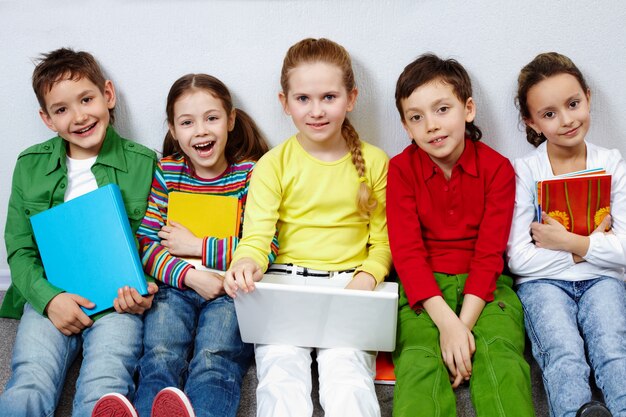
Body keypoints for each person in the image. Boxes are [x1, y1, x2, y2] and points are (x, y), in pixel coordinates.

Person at [224, 38, 391, 417]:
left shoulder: (376, 162)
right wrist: (245, 264)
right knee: (281, 378)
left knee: (348, 378)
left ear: (351, 98)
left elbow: (382, 243)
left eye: (329, 97)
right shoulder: (272, 164)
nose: (316, 111)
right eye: (303, 99)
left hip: (350, 286)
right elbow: (255, 239)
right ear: (284, 102)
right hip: (284, 288)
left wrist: (366, 279)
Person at [92, 73, 276, 417]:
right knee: (160, 353)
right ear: (174, 131)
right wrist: (191, 276)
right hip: (175, 286)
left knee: (214, 357)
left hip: (231, 291)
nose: (201, 130)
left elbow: (266, 243)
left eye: (212, 118)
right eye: (187, 122)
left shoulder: (251, 174)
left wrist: (198, 246)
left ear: (231, 120)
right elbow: (146, 243)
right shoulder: (167, 172)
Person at [0, 48, 158, 417]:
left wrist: (144, 287)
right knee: (29, 379)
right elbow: (19, 249)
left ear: (108, 95)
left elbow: (153, 239)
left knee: (106, 383)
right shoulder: (30, 166)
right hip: (50, 294)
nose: (79, 116)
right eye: (62, 109)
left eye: (86, 99)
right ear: (47, 119)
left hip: (118, 302)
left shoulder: (145, 163)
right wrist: (49, 299)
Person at [386, 54, 535, 417]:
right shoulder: (401, 169)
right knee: (419, 360)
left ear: (467, 109)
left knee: (501, 354)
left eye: (441, 109)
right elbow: (406, 254)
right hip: (422, 291)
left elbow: (489, 254)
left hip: (487, 287)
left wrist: (460, 329)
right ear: (406, 126)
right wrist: (444, 323)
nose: (431, 126)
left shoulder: (497, 168)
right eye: (416, 117)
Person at [507, 52, 626, 417]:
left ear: (588, 98)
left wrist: (568, 242)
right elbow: (519, 259)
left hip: (602, 278)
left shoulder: (611, 162)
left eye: (573, 104)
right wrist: (592, 244)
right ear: (532, 121)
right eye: (549, 114)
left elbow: (624, 252)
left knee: (611, 349)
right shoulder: (526, 170)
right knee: (562, 351)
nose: (566, 120)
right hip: (543, 284)